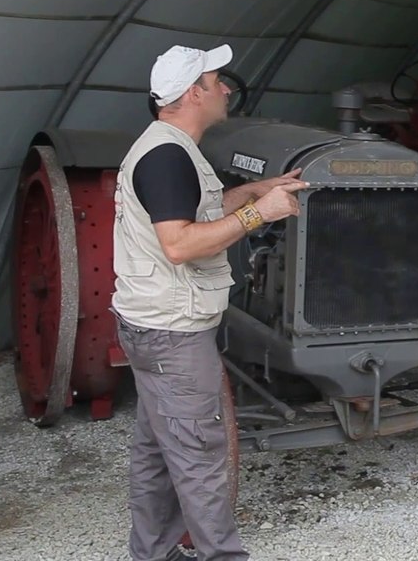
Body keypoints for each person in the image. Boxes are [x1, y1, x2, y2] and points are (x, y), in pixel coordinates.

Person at [113, 44, 308, 561]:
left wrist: (254, 191)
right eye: (216, 80)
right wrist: (259, 214)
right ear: (193, 93)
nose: (225, 88)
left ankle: (153, 553)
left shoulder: (171, 147)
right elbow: (179, 244)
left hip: (154, 326)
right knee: (200, 455)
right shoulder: (166, 158)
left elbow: (195, 210)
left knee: (157, 451)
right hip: (172, 335)